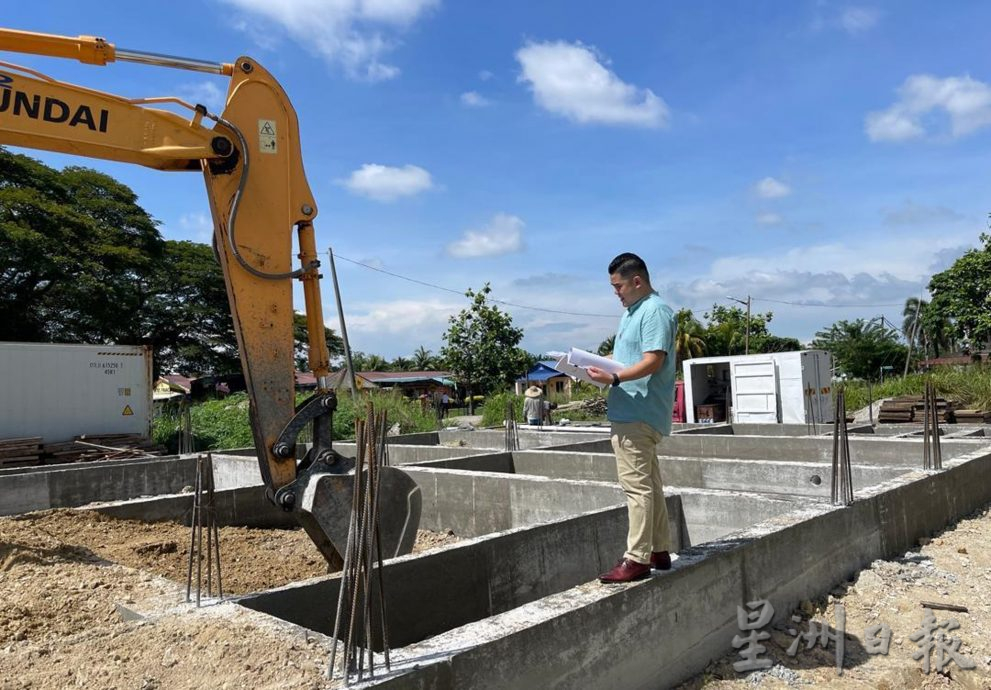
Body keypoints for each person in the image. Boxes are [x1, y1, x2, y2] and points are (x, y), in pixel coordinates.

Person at [586, 252, 677, 583]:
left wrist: (613, 378)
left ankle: (636, 558)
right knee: (650, 484)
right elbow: (627, 358)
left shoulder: (654, 311)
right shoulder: (633, 313)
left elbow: (653, 360)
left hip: (637, 412)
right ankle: (659, 550)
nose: (616, 293)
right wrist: (593, 364)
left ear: (637, 281)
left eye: (619, 285)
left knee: (636, 488)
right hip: (634, 411)